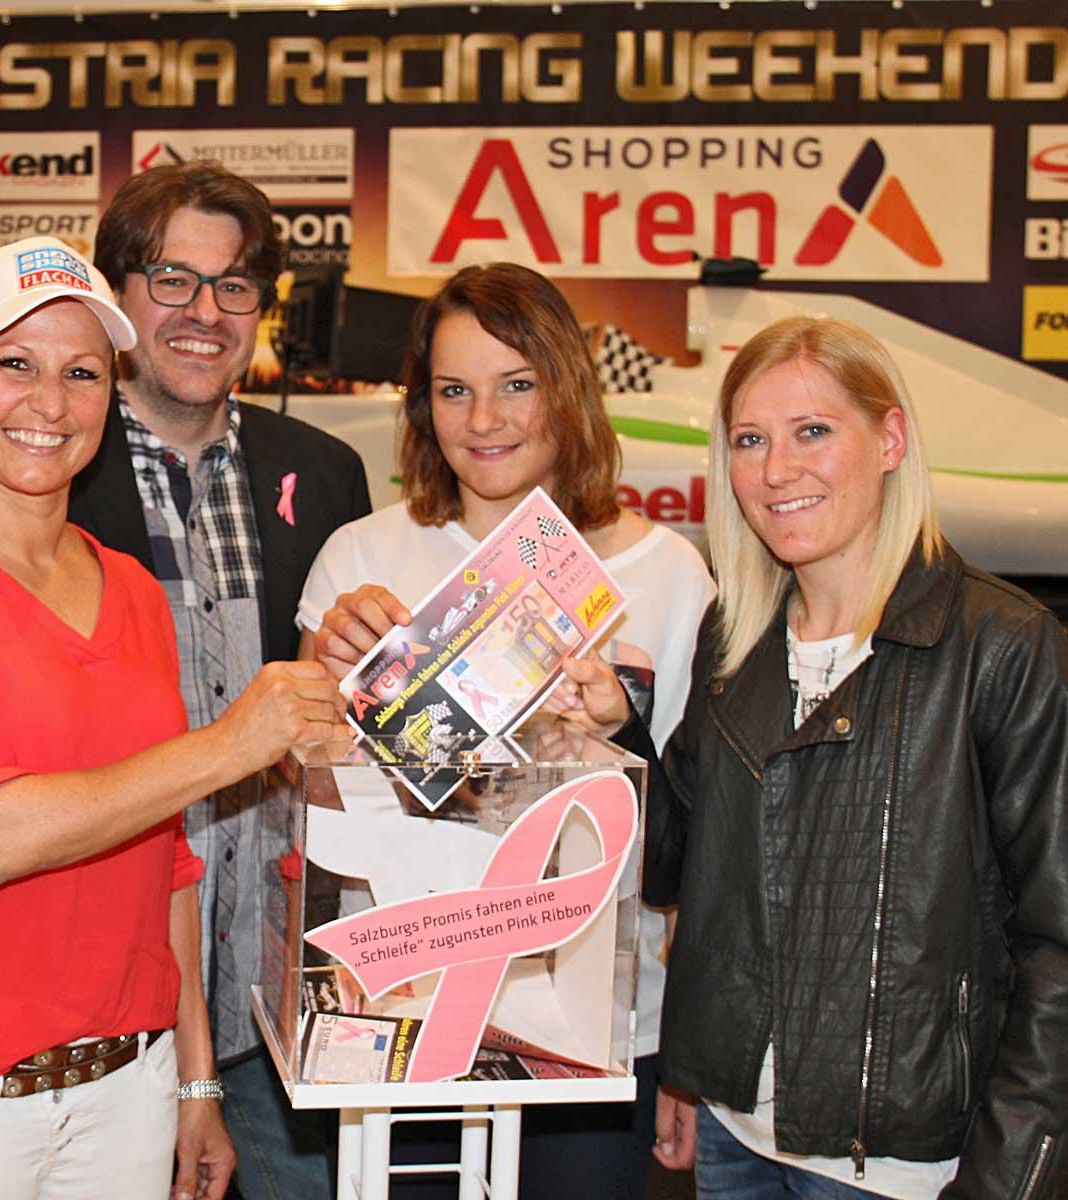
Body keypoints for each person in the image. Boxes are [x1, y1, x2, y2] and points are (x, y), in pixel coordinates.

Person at [0, 236, 343, 1200]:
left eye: (82, 373)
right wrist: (230, 745)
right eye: (15, 364)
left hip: (127, 1098)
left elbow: (168, 861)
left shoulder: (128, 587)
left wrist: (195, 1081)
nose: (49, 404)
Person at [564, 316, 1068, 1199]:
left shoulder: (1000, 644)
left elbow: (1056, 943)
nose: (776, 471)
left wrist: (1009, 1174)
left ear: (890, 440)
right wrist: (620, 733)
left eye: (813, 431)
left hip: (904, 1165)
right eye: (750, 440)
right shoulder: (736, 637)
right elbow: (679, 869)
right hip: (736, 1141)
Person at [299, 261, 714, 1197]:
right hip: (404, 1009)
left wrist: (686, 1061)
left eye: (515, 385)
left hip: (596, 1025)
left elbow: (698, 831)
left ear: (566, 388)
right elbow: (304, 796)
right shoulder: (363, 556)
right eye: (453, 390)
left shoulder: (668, 575)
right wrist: (331, 683)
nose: (483, 420)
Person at [66, 161, 372, 1197]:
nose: (204, 313)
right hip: (105, 1004)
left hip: (278, 1001)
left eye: (233, 285)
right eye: (171, 279)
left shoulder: (324, 474)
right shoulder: (45, 465)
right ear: (117, 297)